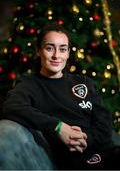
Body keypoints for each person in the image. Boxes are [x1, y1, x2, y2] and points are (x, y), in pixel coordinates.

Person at [2, 23, 120, 169]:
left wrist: (87, 139)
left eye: (62, 49)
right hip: (76, 159)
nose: (56, 55)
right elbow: (11, 107)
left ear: (68, 53)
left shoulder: (84, 82)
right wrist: (58, 126)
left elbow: (104, 121)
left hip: (107, 151)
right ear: (38, 50)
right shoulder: (29, 84)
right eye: (49, 48)